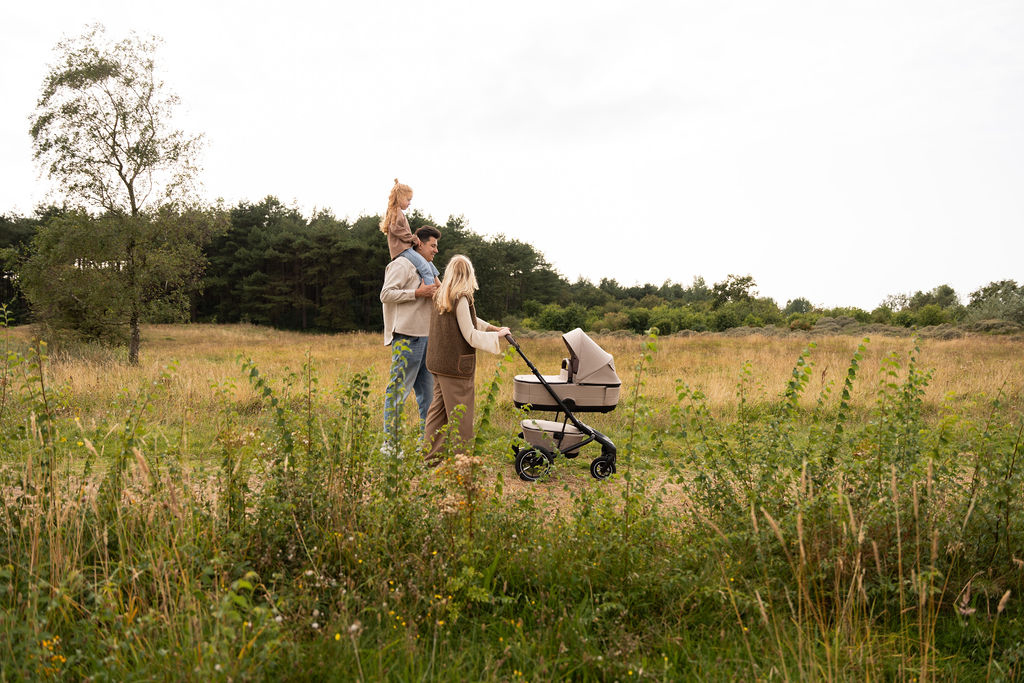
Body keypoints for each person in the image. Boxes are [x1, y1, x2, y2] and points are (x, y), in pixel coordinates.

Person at [423, 254, 510, 464]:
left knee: (437, 413)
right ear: (469, 274)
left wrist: (492, 328)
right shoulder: (461, 297)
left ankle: (431, 458)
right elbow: (470, 334)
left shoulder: (441, 295)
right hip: (455, 367)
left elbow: (467, 319)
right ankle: (462, 461)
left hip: (438, 363)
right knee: (461, 416)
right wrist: (497, 337)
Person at [380, 225, 442, 447]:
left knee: (429, 398)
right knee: (398, 393)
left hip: (427, 339)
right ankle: (390, 446)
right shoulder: (401, 264)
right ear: (420, 244)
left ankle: (426, 446)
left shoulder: (428, 269)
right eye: (432, 245)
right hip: (407, 338)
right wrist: (417, 293)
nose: (436, 250)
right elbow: (386, 294)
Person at [380, 179, 438, 285]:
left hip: (406, 248)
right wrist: (413, 238)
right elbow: (396, 229)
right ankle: (431, 291)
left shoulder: (396, 212)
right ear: (400, 198)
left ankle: (441, 287)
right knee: (425, 268)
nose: (409, 203)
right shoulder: (396, 212)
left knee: (429, 264)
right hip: (402, 250)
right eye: (408, 200)